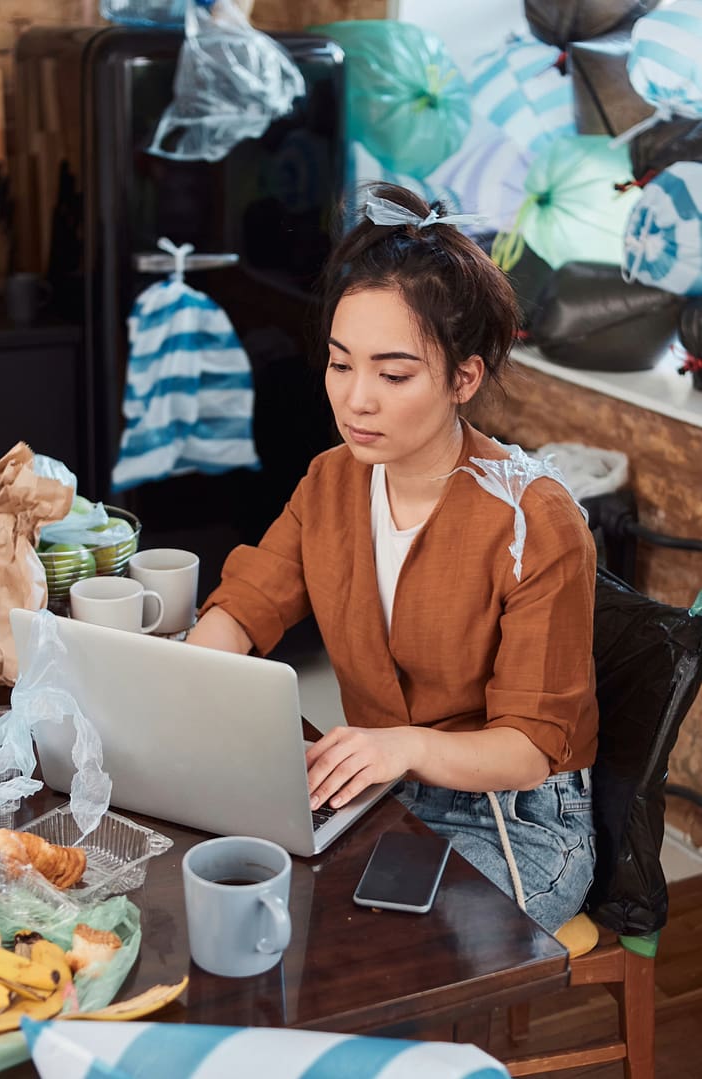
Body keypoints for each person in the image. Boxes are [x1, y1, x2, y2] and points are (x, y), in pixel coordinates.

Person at [186, 183, 598, 933]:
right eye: (341, 364)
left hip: (515, 820)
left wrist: (400, 746)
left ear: (462, 378)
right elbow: (244, 606)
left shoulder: (535, 520)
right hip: (383, 788)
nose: (356, 399)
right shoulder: (330, 480)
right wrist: (185, 679)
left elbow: (534, 747)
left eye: (394, 373)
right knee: (242, 901)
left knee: (362, 949)